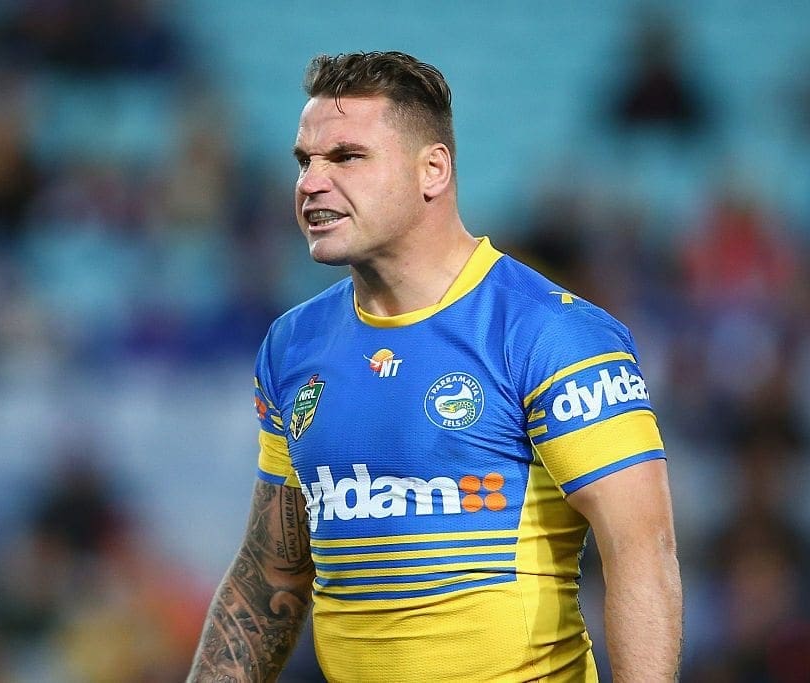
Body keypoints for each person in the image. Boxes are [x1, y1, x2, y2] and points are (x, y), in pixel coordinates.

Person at [188, 51, 682, 682]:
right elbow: (271, 577)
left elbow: (642, 553)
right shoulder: (294, 345)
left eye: (346, 157)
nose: (311, 182)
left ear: (432, 169)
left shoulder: (549, 332)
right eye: (304, 161)